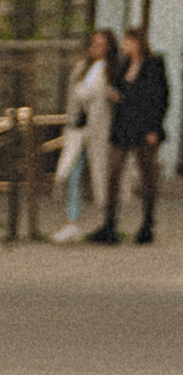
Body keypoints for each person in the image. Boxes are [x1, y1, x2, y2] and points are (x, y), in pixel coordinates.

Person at [105, 25, 169, 245]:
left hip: (144, 128)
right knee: (114, 173)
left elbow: (159, 98)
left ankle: (147, 224)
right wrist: (115, 95)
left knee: (147, 176)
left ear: (138, 42)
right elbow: (119, 89)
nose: (125, 46)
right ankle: (109, 223)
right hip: (122, 127)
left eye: (128, 42)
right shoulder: (124, 66)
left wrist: (154, 128)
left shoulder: (154, 65)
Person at [55, 30, 115, 242]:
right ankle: (73, 220)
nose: (96, 48)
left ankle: (105, 221)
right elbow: (75, 97)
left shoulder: (111, 70)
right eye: (93, 44)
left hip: (100, 130)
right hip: (78, 129)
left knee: (101, 175)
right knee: (72, 172)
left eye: (101, 44)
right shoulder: (82, 68)